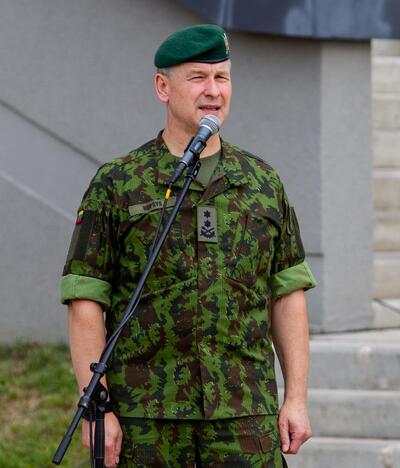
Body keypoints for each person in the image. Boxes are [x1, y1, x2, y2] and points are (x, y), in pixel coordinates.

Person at [61, 24, 317, 467]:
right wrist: (99, 410)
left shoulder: (261, 182)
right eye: (198, 77)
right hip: (147, 419)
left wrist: (295, 398)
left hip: (244, 415)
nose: (213, 90)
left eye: (223, 77)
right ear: (163, 87)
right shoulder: (118, 183)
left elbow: (287, 295)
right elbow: (85, 298)